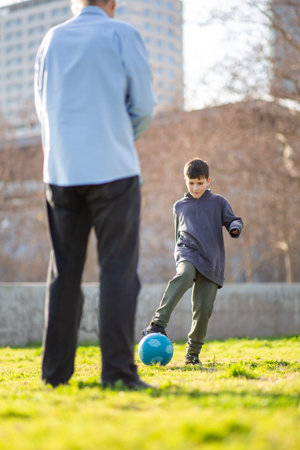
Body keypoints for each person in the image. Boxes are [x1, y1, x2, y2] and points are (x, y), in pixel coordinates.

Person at [34, 0, 155, 388]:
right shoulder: (123, 34)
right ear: (112, 3)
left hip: (61, 173)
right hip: (113, 170)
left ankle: (55, 375)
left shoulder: (51, 38)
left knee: (64, 274)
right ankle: (118, 372)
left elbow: (43, 109)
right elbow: (145, 107)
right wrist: (118, 136)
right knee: (118, 271)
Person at [143, 158, 243, 365]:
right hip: (187, 253)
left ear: (208, 181)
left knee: (203, 308)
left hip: (211, 261)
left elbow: (233, 219)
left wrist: (234, 227)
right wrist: (180, 256)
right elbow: (177, 234)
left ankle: (192, 354)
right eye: (191, 183)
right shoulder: (179, 206)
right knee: (185, 274)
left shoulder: (219, 202)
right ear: (185, 181)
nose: (195, 187)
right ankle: (157, 323)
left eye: (199, 183)